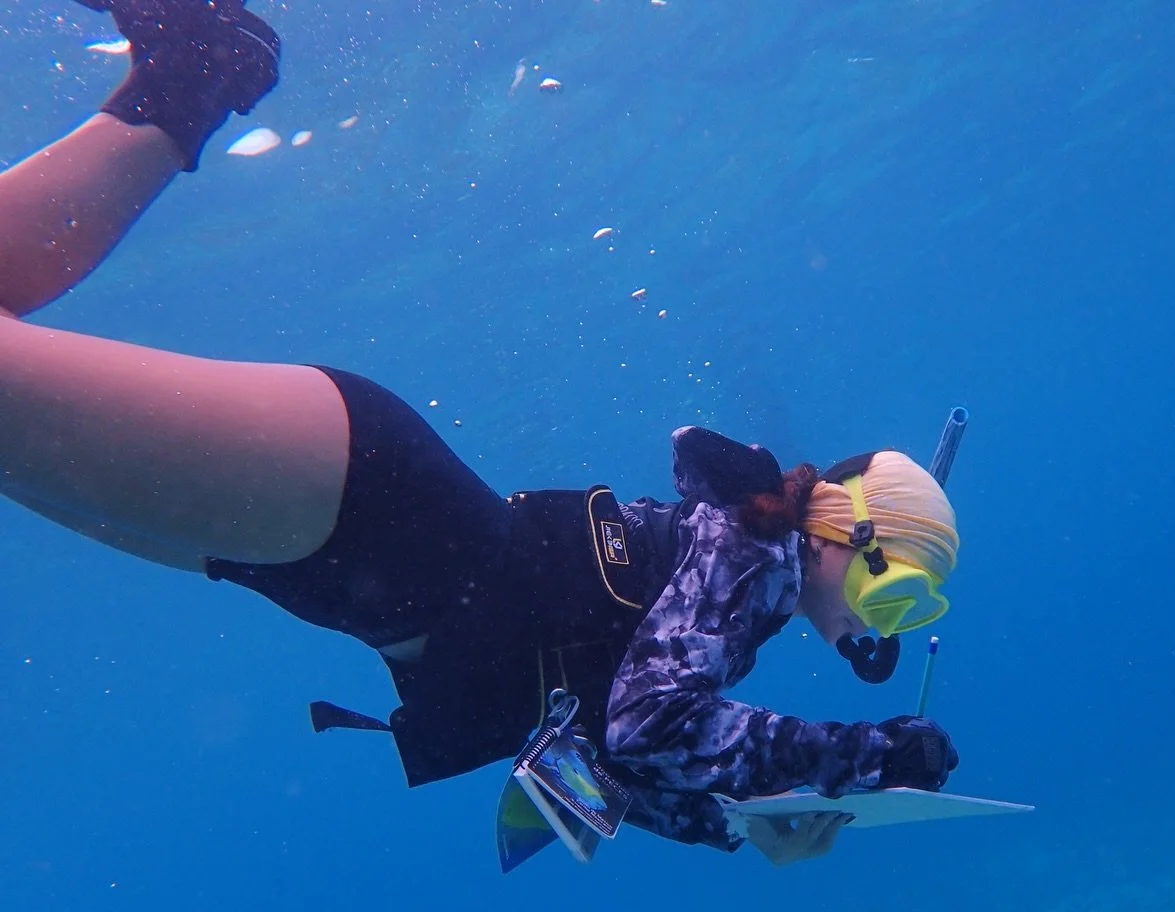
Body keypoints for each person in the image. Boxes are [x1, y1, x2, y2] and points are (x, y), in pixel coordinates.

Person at [1, 0, 962, 866]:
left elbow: (613, 754)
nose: (886, 627)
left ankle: (194, 72)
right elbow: (649, 724)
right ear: (846, 530)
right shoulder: (749, 558)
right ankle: (200, 65)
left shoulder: (745, 609)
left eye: (913, 616)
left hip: (349, 549)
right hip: (363, 504)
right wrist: (859, 757)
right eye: (898, 592)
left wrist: (745, 824)